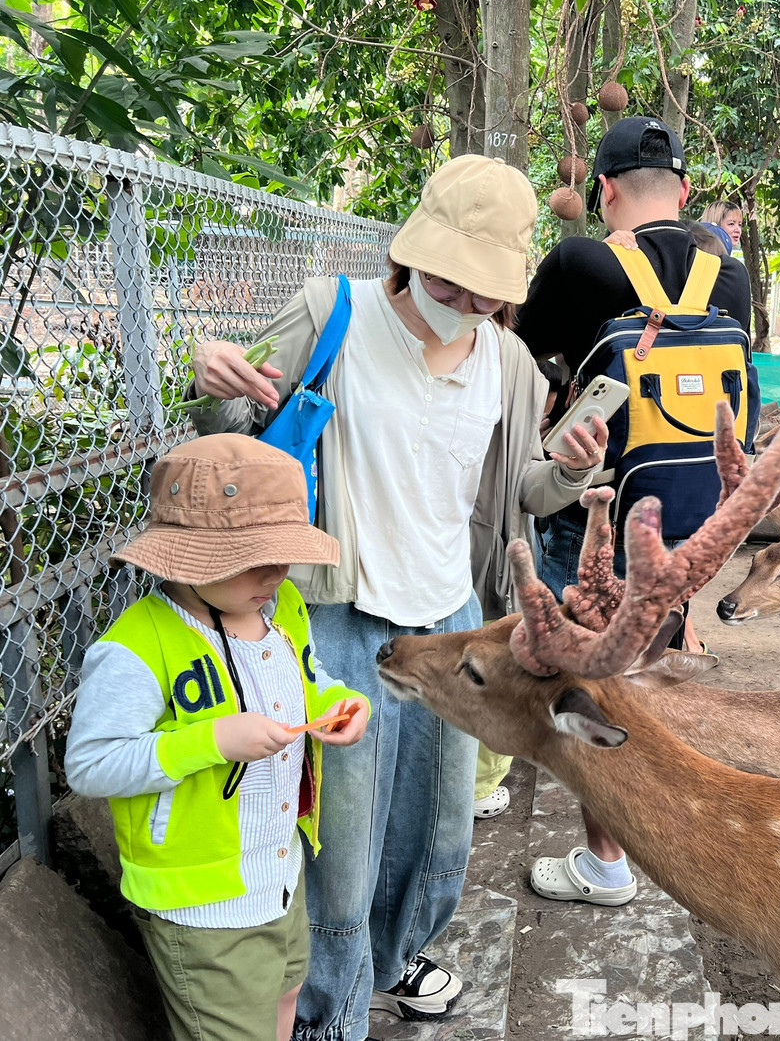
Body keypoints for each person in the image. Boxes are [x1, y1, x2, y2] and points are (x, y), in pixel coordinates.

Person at [187, 156, 604, 1040]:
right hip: (338, 608)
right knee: (343, 835)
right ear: (412, 247)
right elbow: (230, 424)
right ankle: (332, 1011)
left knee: (442, 825)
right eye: (451, 271)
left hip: (451, 611)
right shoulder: (331, 311)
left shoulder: (510, 359)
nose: (465, 296)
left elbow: (521, 487)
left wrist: (572, 469)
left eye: (486, 285)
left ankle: (400, 951)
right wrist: (213, 380)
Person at [515, 116, 751, 908]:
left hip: (594, 509)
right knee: (652, 661)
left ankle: (607, 858)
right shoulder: (731, 277)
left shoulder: (579, 260)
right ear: (684, 193)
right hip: (689, 513)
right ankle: (672, 823)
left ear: (603, 190)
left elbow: (518, 349)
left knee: (597, 677)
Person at [65, 435, 371, 1041]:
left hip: (279, 869)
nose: (279, 573)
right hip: (201, 903)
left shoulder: (281, 607)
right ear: (187, 558)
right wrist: (210, 741)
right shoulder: (136, 649)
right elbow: (90, 766)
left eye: (286, 553)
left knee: (285, 991)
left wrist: (338, 702)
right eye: (256, 557)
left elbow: (308, 679)